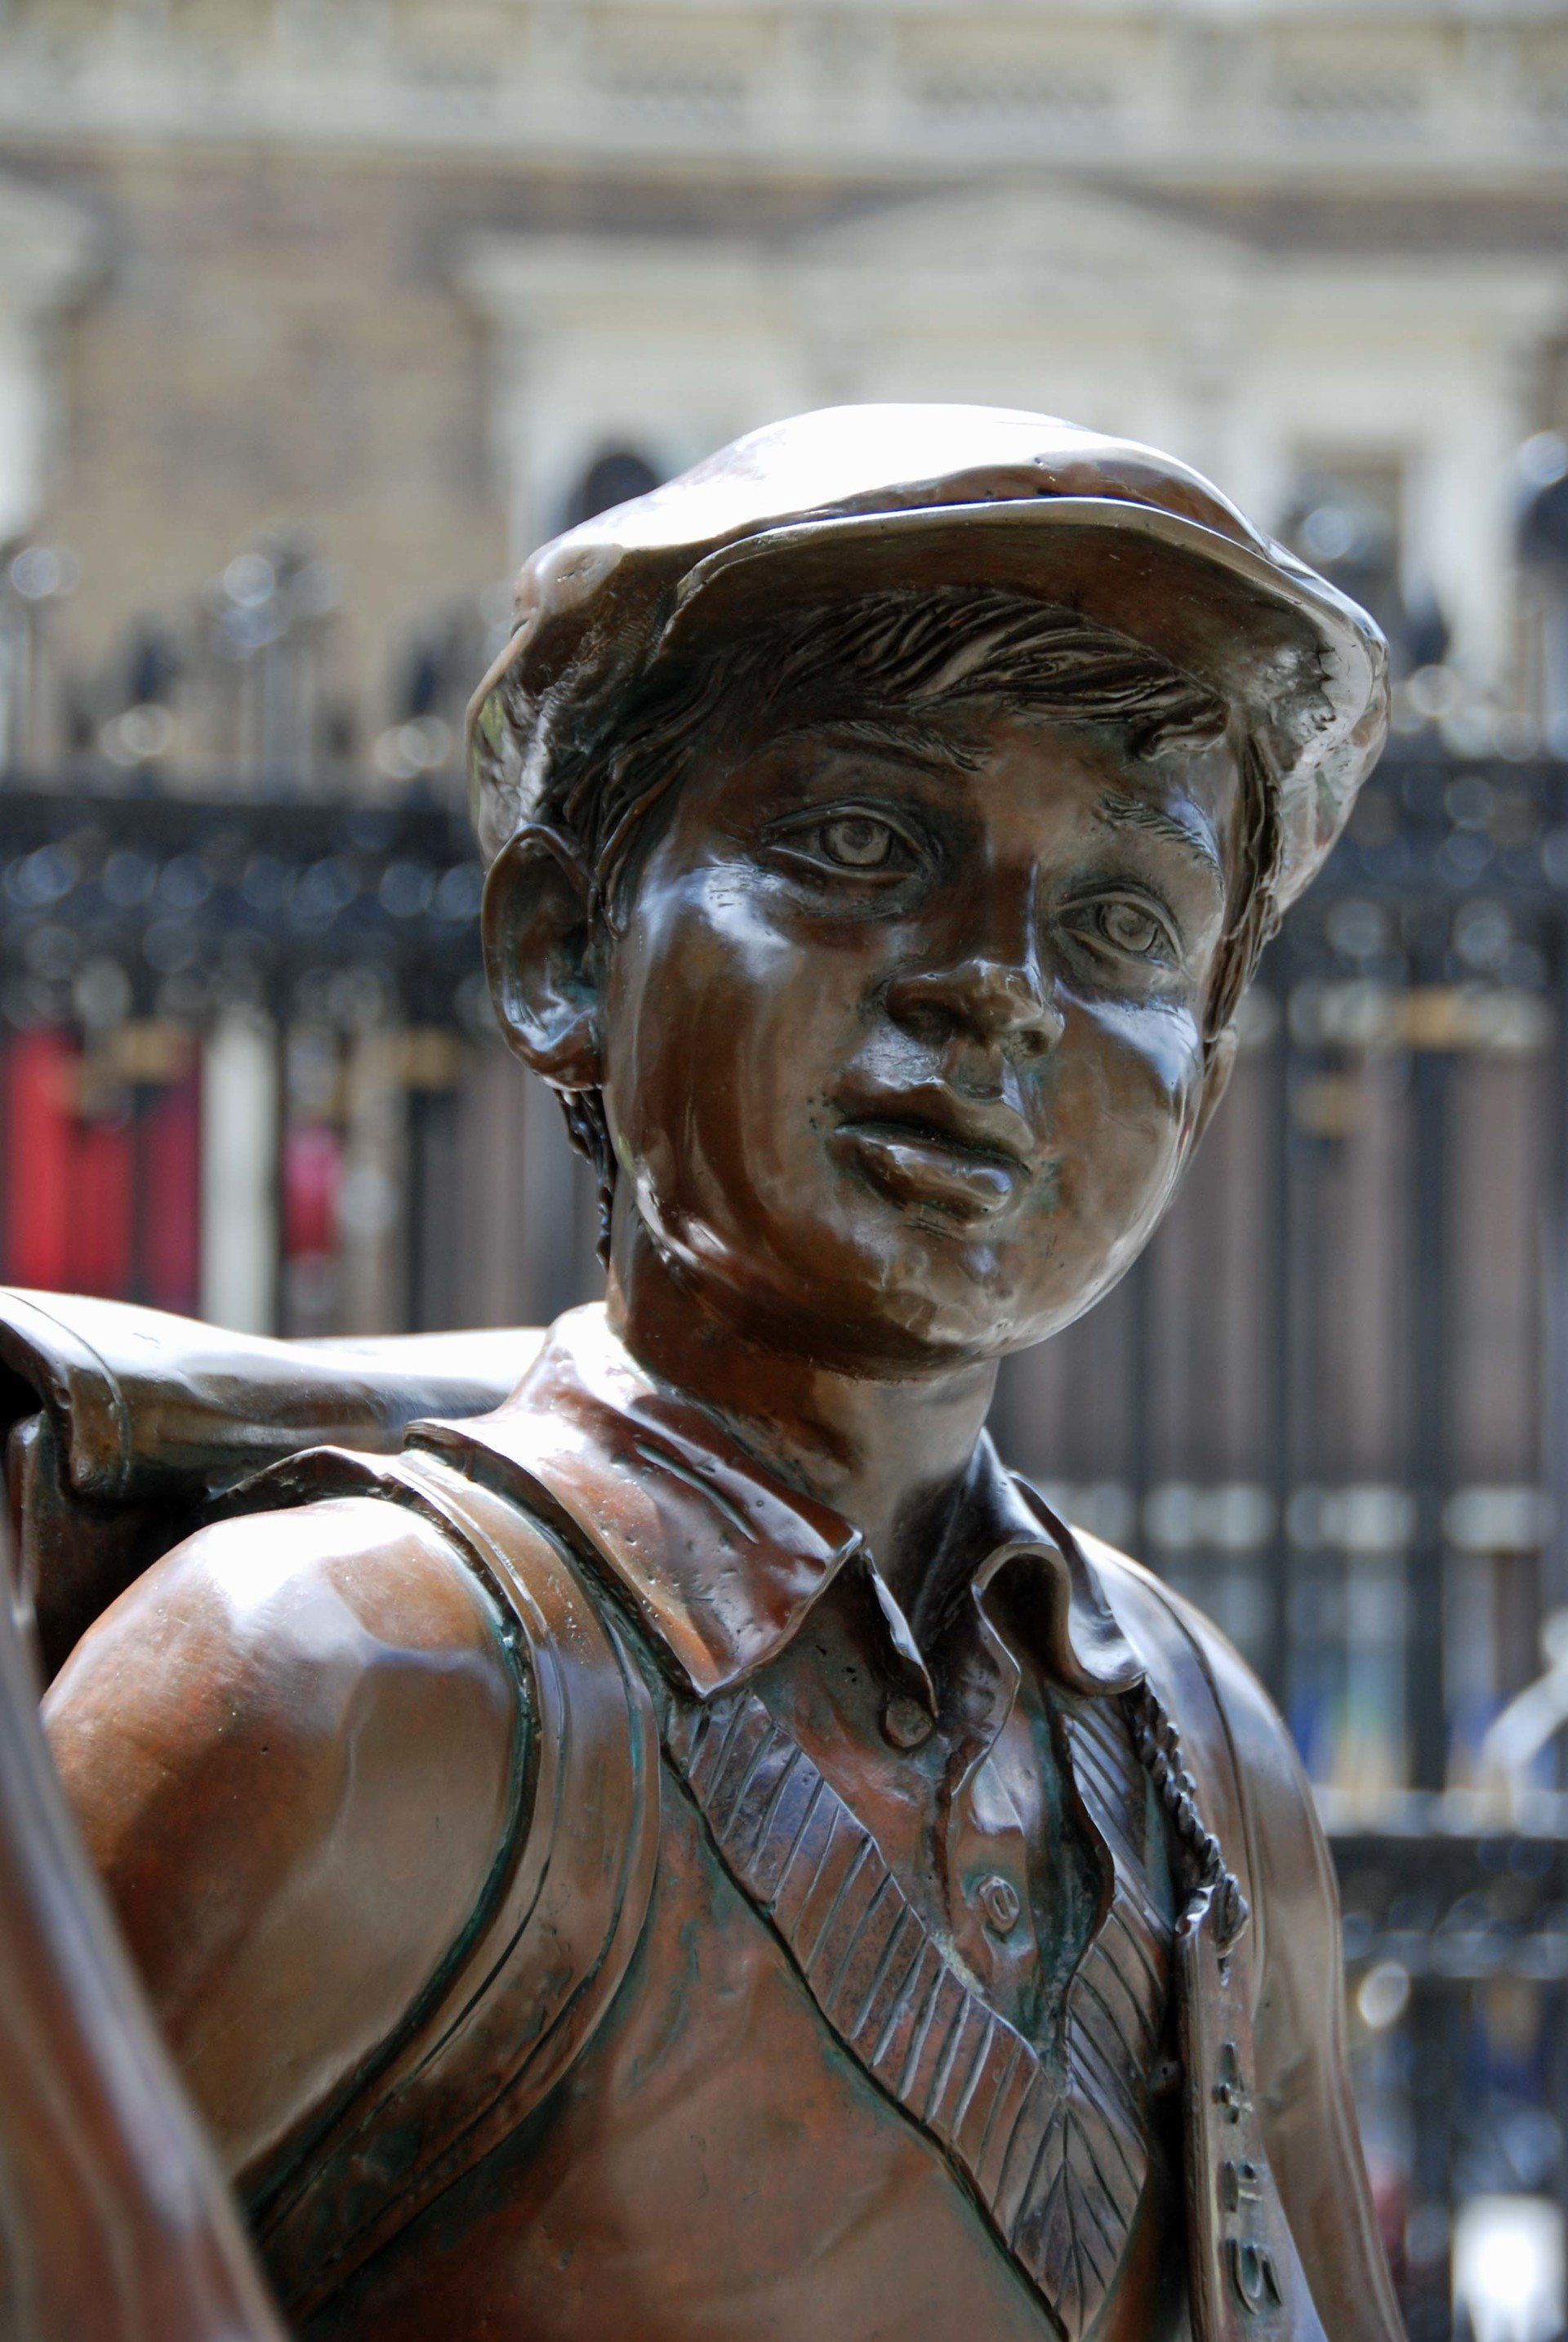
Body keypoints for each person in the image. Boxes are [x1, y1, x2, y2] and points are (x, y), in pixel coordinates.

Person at [39, 406, 1403, 2341]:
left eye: (1120, 923)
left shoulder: (1198, 1753)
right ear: (558, 953)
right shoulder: (333, 1696)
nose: (997, 984)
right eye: (861, 842)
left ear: (1207, 1078)